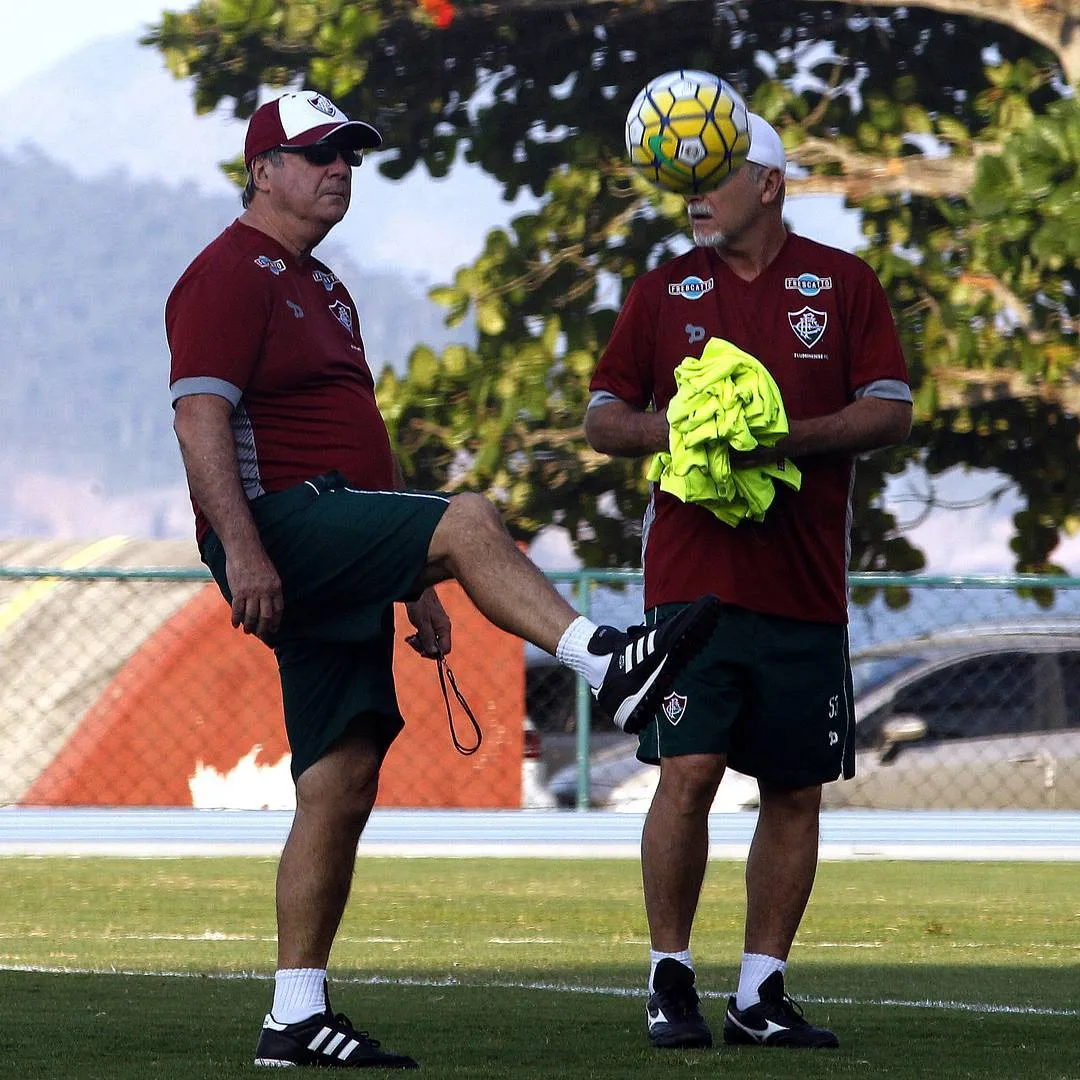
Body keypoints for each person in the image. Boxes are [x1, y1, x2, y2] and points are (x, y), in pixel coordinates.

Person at [165, 89, 721, 1070]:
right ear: (265, 170)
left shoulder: (324, 286)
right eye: (319, 153)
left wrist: (417, 582)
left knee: (340, 776)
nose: (340, 168)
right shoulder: (226, 274)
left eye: (350, 155)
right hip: (284, 524)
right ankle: (608, 664)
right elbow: (201, 420)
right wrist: (244, 549)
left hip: (335, 526)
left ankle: (294, 1016)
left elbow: (363, 450)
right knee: (469, 513)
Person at [585, 111, 913, 1051]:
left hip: (806, 584)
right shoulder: (663, 291)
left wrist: (780, 440)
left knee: (796, 787)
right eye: (684, 172)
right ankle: (670, 977)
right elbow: (604, 417)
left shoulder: (842, 283)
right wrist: (680, 433)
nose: (694, 188)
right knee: (687, 773)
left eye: (715, 171)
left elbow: (889, 409)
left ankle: (761, 992)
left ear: (769, 183)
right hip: (694, 584)